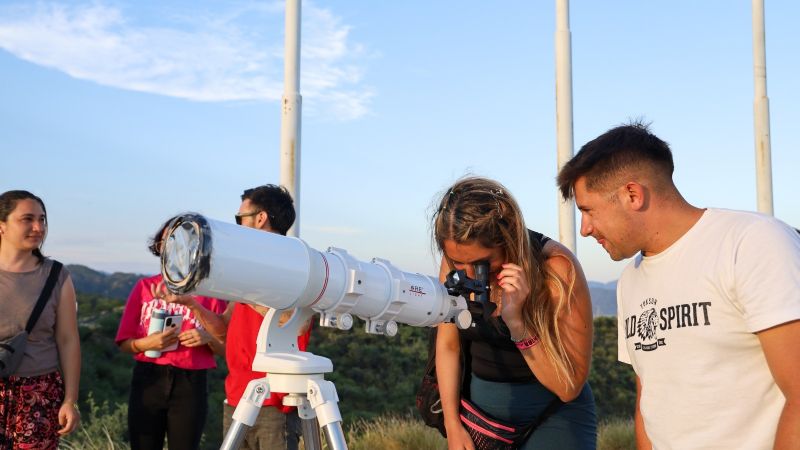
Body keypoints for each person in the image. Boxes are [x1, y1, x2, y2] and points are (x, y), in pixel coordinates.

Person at [556, 122, 800, 449]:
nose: (584, 229)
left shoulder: (752, 243)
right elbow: (650, 400)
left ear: (632, 194)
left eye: (588, 211)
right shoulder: (631, 279)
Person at [432, 177, 597, 450]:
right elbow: (448, 345)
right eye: (459, 263)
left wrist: (518, 324)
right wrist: (452, 424)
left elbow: (569, 387)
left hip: (554, 415)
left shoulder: (556, 269)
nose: (471, 275)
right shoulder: (455, 264)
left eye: (482, 263)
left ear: (509, 239)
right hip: (483, 421)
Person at [170, 184, 311, 450]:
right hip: (238, 396)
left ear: (261, 218)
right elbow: (224, 329)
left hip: (275, 401)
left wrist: (250, 293)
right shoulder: (248, 271)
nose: (236, 225)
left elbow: (297, 323)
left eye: (240, 218)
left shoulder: (294, 266)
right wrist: (193, 305)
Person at [115, 216, 227, 450]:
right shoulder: (144, 287)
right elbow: (124, 343)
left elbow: (226, 349)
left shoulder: (210, 293)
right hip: (148, 377)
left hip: (191, 382)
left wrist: (207, 339)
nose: (170, 246)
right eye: (165, 240)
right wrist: (147, 343)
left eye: (179, 239)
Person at [0, 190, 81, 449]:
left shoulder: (57, 276)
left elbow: (68, 340)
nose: (38, 227)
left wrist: (70, 400)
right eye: (27, 219)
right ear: (2, 225)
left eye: (43, 219)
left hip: (40, 395)